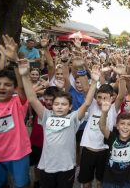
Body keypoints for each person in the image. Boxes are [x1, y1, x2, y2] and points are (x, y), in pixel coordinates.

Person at [19, 58, 100, 188]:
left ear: (70, 107)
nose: (60, 106)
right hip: (46, 166)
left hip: (66, 167)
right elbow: (32, 99)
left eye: (64, 104)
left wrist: (95, 81)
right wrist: (24, 75)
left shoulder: (73, 117)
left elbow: (87, 102)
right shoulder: (46, 115)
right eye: (57, 104)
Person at [78, 66, 127, 188]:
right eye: (99, 97)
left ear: (112, 98)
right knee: (86, 182)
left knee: (101, 182)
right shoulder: (92, 105)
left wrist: (122, 76)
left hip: (104, 151)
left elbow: (121, 95)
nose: (101, 101)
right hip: (88, 150)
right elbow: (86, 89)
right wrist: (93, 80)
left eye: (105, 98)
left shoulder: (113, 108)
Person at [0, 35, 30, 188]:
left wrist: (14, 59)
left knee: (22, 185)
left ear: (13, 89)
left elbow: (21, 86)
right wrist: (2, 58)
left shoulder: (17, 102)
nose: (2, 87)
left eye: (7, 85)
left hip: (18, 154)